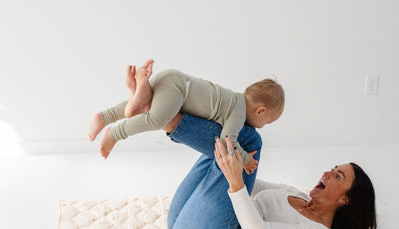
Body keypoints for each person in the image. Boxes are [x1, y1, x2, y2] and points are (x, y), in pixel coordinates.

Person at [163, 111, 377, 229]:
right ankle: (166, 113)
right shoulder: (298, 194)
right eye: (333, 169)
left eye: (337, 176)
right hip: (180, 224)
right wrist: (240, 165)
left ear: (345, 200)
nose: (327, 173)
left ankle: (166, 119)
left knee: (248, 140)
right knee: (236, 148)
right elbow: (252, 183)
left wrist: (235, 179)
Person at [88, 60, 285, 175]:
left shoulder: (233, 97)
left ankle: (105, 116)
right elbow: (228, 140)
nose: (262, 126)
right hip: (179, 91)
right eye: (266, 122)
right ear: (260, 111)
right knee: (155, 119)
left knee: (143, 106)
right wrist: (244, 159)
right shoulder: (238, 113)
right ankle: (115, 133)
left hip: (173, 79)